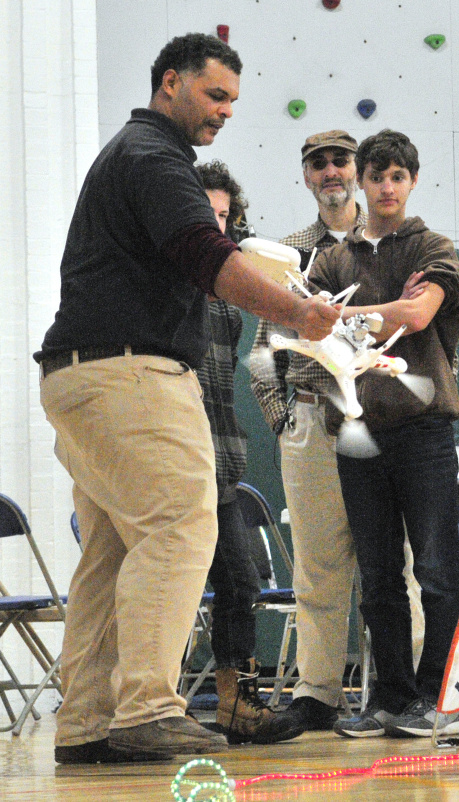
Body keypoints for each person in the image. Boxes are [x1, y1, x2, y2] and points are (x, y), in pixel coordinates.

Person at [38, 33, 340, 765]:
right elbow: (209, 258)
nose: (226, 112)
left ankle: (87, 721)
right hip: (130, 373)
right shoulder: (155, 157)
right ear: (169, 82)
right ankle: (147, 708)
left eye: (234, 100)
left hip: (78, 377)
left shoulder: (128, 157)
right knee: (179, 524)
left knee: (112, 551)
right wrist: (300, 315)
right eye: (215, 95)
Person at [308, 129, 459, 738]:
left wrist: (344, 316)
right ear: (361, 182)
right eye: (376, 176)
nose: (386, 187)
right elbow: (312, 330)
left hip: (424, 427)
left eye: (397, 176)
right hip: (357, 430)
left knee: (434, 569)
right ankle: (390, 698)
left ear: (412, 181)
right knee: (376, 575)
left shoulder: (432, 245)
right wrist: (378, 315)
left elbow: (420, 314)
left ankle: (437, 694)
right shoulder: (332, 258)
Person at [248, 130, 366, 732]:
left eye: (339, 161)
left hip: (378, 426)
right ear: (306, 176)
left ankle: (413, 690)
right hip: (309, 420)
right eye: (317, 164)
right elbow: (263, 349)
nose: (329, 172)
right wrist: (284, 419)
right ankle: (317, 691)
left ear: (359, 169)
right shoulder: (286, 252)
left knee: (396, 564)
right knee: (316, 566)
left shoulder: (392, 243)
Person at [195, 160, 304, 745]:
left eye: (224, 216)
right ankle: (154, 702)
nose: (216, 225)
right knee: (196, 583)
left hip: (223, 457)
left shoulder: (227, 284)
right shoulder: (171, 276)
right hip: (183, 453)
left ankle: (236, 703)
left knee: (242, 582)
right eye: (205, 214)